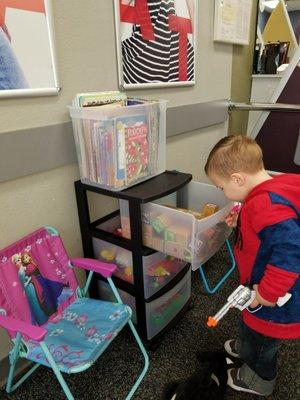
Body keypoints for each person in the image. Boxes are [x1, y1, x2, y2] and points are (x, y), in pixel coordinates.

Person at [204, 134, 300, 397]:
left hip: (274, 293)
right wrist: (244, 213)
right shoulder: (269, 190)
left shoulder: (263, 205)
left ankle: (259, 378)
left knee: (264, 337)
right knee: (250, 320)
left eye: (221, 186)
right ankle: (247, 346)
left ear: (237, 179)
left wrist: (268, 294)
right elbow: (268, 228)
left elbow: (291, 251)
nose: (223, 192)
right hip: (258, 284)